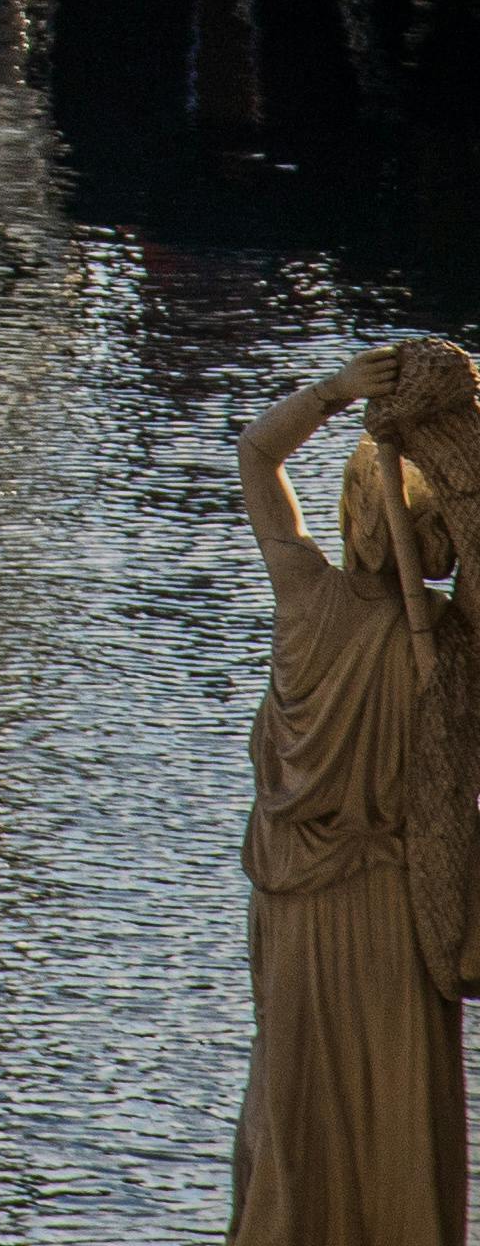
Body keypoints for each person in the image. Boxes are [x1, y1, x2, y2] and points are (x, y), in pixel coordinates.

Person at [240, 338, 480, 1242]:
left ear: (355, 522)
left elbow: (257, 452)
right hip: (399, 909)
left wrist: (338, 392)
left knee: (297, 1111)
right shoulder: (453, 650)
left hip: (299, 911)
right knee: (397, 1111)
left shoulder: (303, 597)